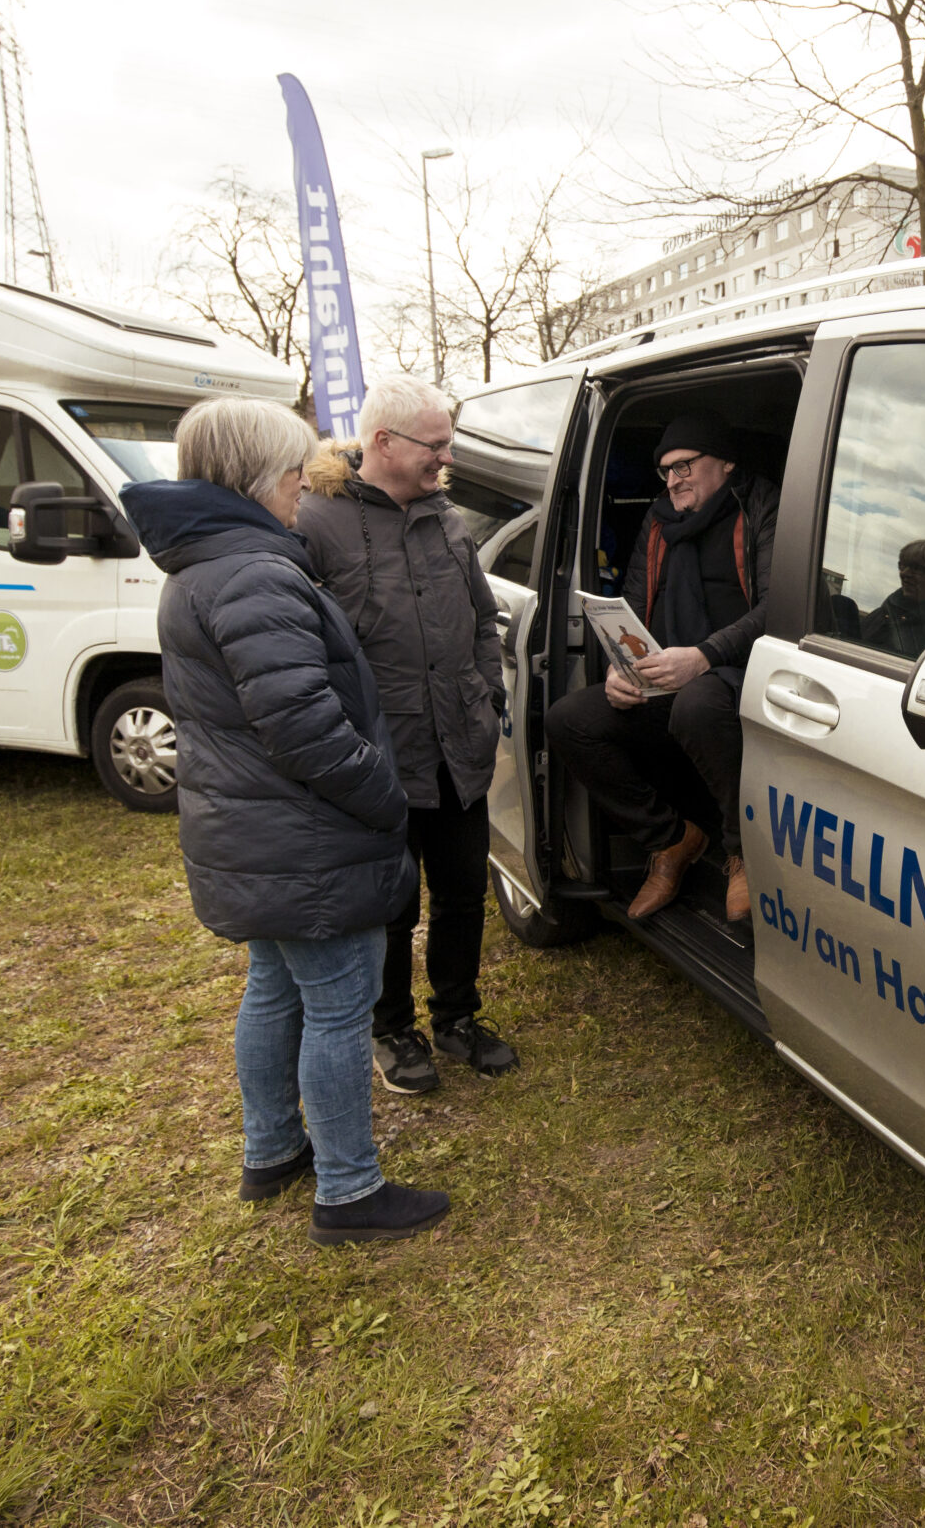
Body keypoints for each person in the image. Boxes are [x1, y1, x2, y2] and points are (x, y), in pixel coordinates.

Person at [122, 396, 449, 1247]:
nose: (304, 489)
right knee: (339, 1004)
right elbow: (305, 728)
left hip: (259, 833)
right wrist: (384, 796)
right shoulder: (255, 574)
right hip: (305, 836)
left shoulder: (203, 564)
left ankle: (272, 1149)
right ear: (259, 478)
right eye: (295, 476)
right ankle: (348, 1189)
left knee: (274, 986)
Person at [299, 376, 518, 1096]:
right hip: (379, 757)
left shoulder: (446, 517)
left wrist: (485, 695)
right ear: (384, 442)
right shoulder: (315, 522)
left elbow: (481, 617)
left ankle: (456, 1016)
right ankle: (390, 1028)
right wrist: (342, 739)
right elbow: (302, 645)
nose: (447, 457)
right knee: (389, 904)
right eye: (437, 444)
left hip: (458, 745)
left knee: (462, 892)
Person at [545, 412, 776, 923]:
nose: (673, 480)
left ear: (726, 463)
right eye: (666, 471)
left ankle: (741, 850)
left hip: (740, 673)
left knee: (698, 701)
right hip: (667, 673)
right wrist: (620, 668)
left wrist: (704, 656)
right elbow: (630, 603)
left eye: (684, 466)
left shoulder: (761, 505)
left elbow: (777, 607)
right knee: (569, 720)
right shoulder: (657, 522)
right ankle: (671, 839)